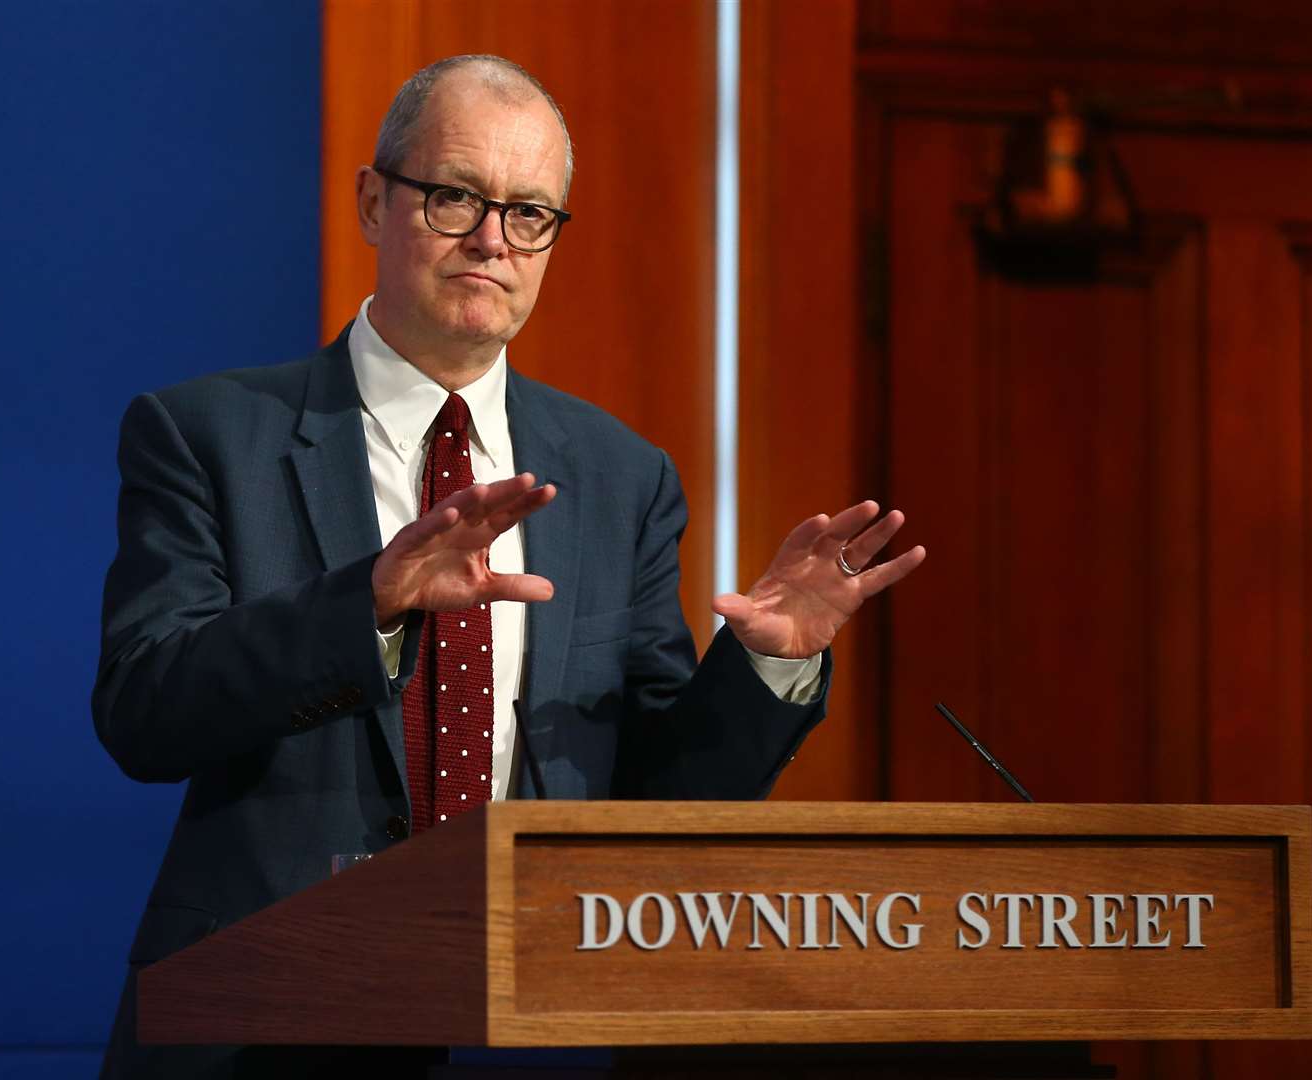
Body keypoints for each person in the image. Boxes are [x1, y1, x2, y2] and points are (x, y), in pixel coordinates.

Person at [94, 54, 924, 1080]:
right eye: (456, 197)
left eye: (530, 212)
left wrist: (764, 669)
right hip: (260, 1026)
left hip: (538, 1033)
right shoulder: (209, 434)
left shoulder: (620, 476)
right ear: (372, 201)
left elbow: (651, 800)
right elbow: (145, 710)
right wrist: (375, 601)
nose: (493, 238)